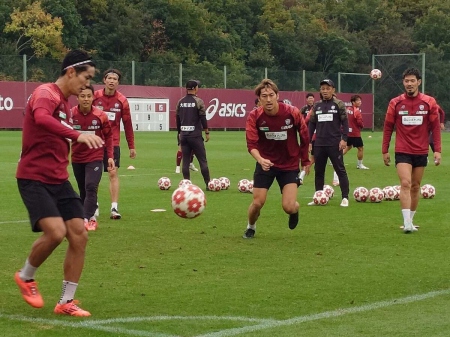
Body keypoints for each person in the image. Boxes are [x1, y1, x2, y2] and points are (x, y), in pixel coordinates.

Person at [15, 49, 102, 316]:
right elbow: (41, 119)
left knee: (79, 234)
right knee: (55, 232)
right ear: (71, 71)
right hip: (34, 178)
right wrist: (78, 135)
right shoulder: (46, 93)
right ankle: (26, 276)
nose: (88, 84)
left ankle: (66, 302)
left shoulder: (66, 104)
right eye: (86, 77)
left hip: (58, 180)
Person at [243, 79, 311, 239]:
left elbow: (304, 136)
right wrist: (260, 159)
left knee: (288, 207)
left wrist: (305, 160)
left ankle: (295, 211)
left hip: (289, 164)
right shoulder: (254, 116)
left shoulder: (292, 112)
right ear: (259, 99)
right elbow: (251, 144)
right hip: (265, 164)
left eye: (271, 95)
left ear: (277, 96)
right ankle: (251, 226)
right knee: (257, 202)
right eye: (264, 96)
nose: (268, 99)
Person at [382, 67, 441, 233]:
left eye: (412, 81)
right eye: (406, 81)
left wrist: (437, 150)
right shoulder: (395, 103)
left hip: (421, 151)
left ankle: (411, 221)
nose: (409, 84)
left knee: (415, 186)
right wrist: (384, 150)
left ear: (419, 82)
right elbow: (388, 127)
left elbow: (435, 128)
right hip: (402, 150)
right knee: (405, 183)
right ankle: (407, 223)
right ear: (403, 83)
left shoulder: (429, 102)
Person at [93, 69, 136, 220]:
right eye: (109, 78)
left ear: (118, 82)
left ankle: (114, 208)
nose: (111, 81)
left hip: (113, 143)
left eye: (115, 79)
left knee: (113, 173)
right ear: (104, 80)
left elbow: (128, 124)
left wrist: (131, 146)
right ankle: (94, 205)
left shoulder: (122, 101)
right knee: (94, 175)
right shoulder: (94, 97)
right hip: (95, 142)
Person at [71, 85, 115, 231]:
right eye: (82, 96)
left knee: (91, 186)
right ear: (77, 97)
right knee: (83, 189)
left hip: (95, 156)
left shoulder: (100, 115)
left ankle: (85, 219)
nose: (86, 99)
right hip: (77, 157)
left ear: (93, 98)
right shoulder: (71, 114)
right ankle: (91, 217)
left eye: (89, 96)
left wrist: (109, 156)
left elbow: (109, 136)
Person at [307, 79, 350, 207]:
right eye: (323, 89)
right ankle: (318, 196)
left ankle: (345, 197)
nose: (325, 91)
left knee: (340, 169)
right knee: (319, 171)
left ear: (333, 90)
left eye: (327, 88)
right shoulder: (317, 105)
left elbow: (345, 123)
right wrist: (309, 141)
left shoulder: (339, 104)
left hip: (334, 143)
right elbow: (312, 124)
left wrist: (344, 139)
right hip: (319, 143)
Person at [176, 80, 211, 187]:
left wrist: (179, 133)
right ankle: (208, 184)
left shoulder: (180, 102)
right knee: (202, 160)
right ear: (195, 88)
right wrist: (206, 131)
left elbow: (177, 119)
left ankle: (187, 185)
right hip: (195, 136)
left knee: (185, 161)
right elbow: (203, 118)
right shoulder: (199, 101)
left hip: (183, 136)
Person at [331, 94, 368, 185]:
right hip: (355, 133)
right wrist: (362, 126)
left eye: (360, 100)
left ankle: (336, 159)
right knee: (360, 148)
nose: (360, 102)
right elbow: (359, 122)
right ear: (353, 102)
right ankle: (360, 164)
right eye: (358, 101)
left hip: (347, 133)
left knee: (348, 147)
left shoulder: (347, 109)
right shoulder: (356, 111)